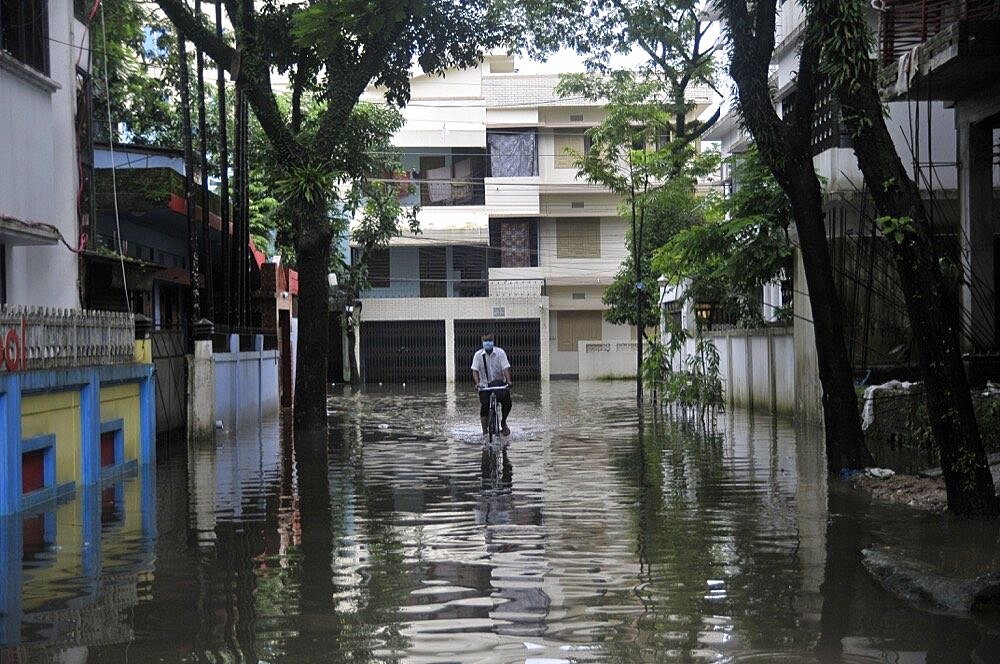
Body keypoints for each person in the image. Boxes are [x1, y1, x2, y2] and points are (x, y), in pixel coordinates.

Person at [471, 333, 512, 436]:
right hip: (484, 385)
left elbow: (505, 368)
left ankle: (503, 422)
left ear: (493, 341)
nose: (487, 343)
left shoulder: (500, 353)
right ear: (482, 343)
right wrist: (477, 383)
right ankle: (485, 431)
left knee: (507, 402)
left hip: (498, 383)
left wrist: (508, 381)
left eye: (489, 341)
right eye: (485, 341)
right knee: (484, 406)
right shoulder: (478, 355)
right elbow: (475, 370)